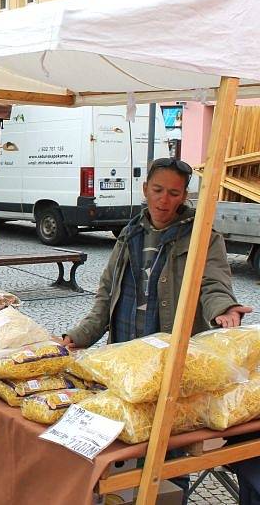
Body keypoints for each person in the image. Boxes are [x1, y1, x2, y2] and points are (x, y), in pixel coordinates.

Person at [61, 157, 253, 502]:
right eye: (158, 190)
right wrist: (78, 336)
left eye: (173, 193)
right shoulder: (129, 235)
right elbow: (106, 296)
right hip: (126, 361)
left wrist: (224, 310)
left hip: (170, 365)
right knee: (124, 443)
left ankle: (168, 498)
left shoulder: (203, 238)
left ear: (184, 196)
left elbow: (213, 284)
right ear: (145, 188)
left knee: (167, 452)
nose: (164, 200)